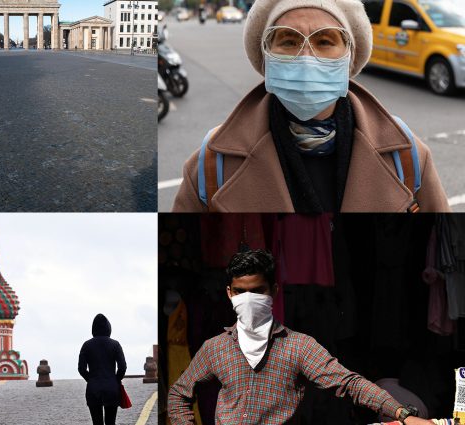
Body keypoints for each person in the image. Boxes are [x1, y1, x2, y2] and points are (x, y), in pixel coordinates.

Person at [172, 0, 450, 213]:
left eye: (325, 41)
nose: (307, 57)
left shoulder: (408, 156)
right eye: (289, 41)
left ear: (349, 57)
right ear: (266, 55)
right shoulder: (211, 165)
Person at [166, 249, 433, 425]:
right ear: (229, 294)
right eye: (240, 291)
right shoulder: (215, 348)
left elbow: (349, 383)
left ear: (274, 290)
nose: (248, 299)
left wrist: (403, 414)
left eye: (257, 291)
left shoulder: (299, 347)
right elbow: (179, 392)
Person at [78, 313, 127, 425]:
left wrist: (90, 379)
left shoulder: (86, 345)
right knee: (111, 422)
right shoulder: (115, 345)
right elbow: (122, 367)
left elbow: (81, 368)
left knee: (97, 422)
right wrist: (116, 379)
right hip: (111, 388)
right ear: (108, 328)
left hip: (93, 388)